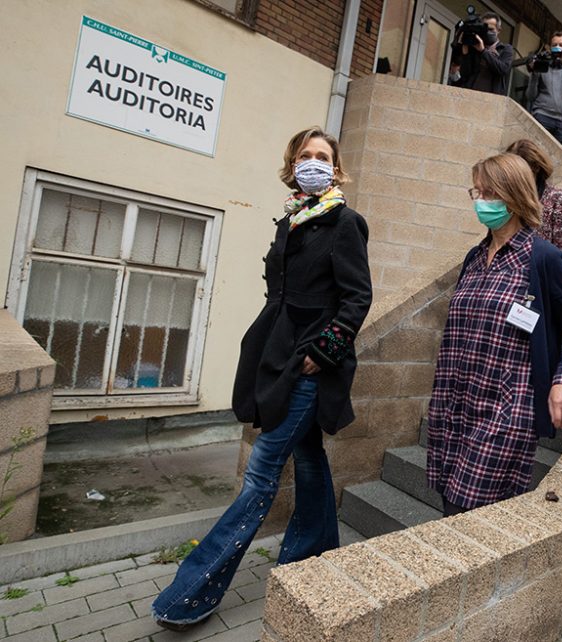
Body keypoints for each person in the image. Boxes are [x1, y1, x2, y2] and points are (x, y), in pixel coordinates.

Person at [151, 127, 372, 631]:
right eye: (305, 155)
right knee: (308, 455)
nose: (313, 162)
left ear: (335, 169)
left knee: (261, 470)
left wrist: (324, 350)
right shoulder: (292, 219)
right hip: (276, 351)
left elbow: (357, 297)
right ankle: (315, 557)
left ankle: (192, 592)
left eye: (323, 156)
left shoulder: (345, 222)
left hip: (309, 361)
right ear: (291, 164)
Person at [427, 153, 562, 515]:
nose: (482, 202)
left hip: (506, 408)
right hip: (454, 406)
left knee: (464, 508)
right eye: (478, 193)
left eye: (490, 193)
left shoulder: (542, 258)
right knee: (448, 508)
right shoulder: (473, 258)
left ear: (515, 196)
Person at [506, 138, 562, 252]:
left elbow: (560, 247)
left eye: (520, 171)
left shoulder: (556, 198)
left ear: (535, 168)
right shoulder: (506, 196)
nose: (515, 176)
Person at [525, 31, 562, 143]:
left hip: (560, 121)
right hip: (542, 116)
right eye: (554, 45)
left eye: (561, 45)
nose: (558, 48)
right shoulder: (543, 65)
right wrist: (535, 74)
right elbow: (530, 96)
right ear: (549, 48)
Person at [448, 12, 513, 96]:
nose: (488, 32)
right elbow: (465, 74)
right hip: (470, 96)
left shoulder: (506, 49)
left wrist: (483, 51)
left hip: (491, 100)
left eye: (491, 29)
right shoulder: (475, 47)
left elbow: (502, 69)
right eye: (485, 29)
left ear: (498, 30)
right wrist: (465, 53)